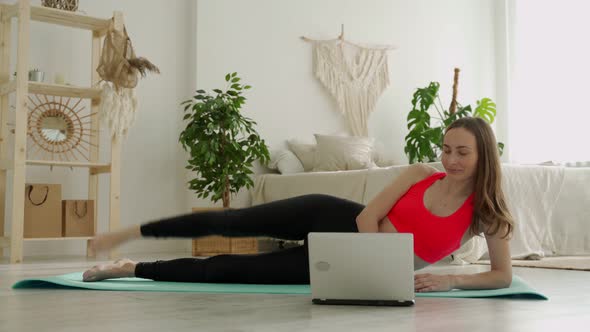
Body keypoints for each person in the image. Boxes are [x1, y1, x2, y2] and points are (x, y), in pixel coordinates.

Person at [83, 116, 514, 292]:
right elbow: (368, 215)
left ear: (484, 156)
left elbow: (501, 275)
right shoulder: (421, 174)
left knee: (228, 271)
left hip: (361, 265)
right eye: (447, 149)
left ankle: (132, 268)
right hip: (335, 219)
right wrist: (379, 260)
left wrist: (452, 281)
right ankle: (132, 233)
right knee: (235, 221)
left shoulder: (486, 214)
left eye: (463, 152)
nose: (451, 159)